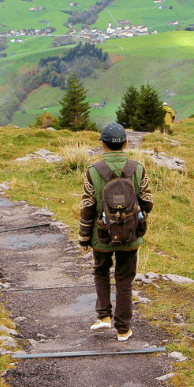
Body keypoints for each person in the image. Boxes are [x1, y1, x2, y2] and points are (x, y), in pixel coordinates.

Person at [78, 122, 153, 342]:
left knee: (101, 270)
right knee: (124, 279)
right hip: (130, 235)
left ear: (102, 144)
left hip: (101, 236)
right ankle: (123, 329)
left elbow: (87, 206)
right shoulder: (138, 168)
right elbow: (148, 202)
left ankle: (103, 317)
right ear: (126, 143)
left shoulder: (93, 171)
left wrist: (84, 236)